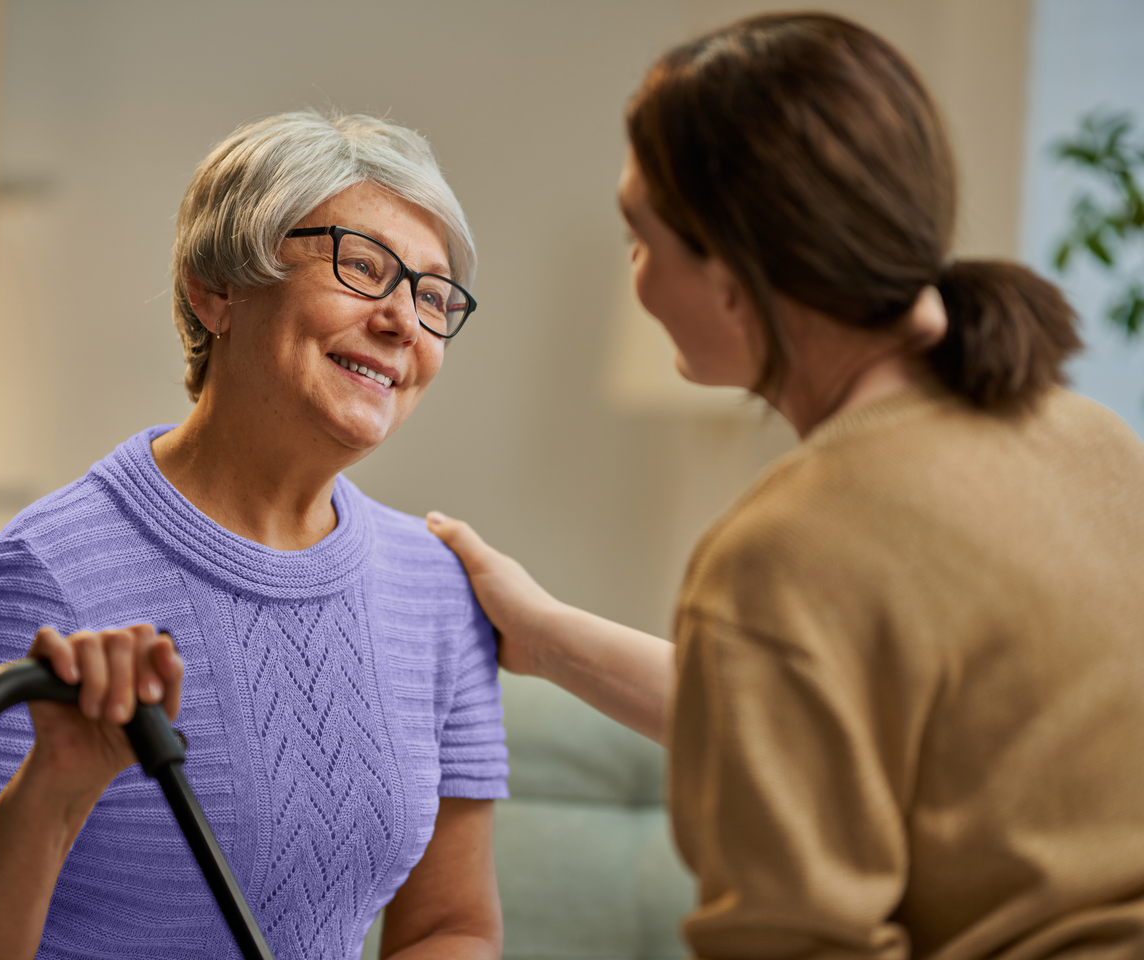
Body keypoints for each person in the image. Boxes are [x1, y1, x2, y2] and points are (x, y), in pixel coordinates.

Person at [426, 13, 1144, 960]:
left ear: (731, 278)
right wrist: (547, 638)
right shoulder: (1092, 440)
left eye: (639, 236)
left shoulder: (789, 546)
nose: (633, 270)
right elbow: (834, 724)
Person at [0, 111, 508, 960]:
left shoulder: (437, 587)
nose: (403, 322)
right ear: (217, 288)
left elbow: (451, 927)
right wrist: (52, 789)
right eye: (362, 266)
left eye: (431, 296)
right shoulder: (46, 569)